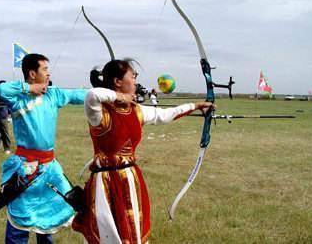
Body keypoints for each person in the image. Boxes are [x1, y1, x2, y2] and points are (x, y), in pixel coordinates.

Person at [72, 59, 214, 243]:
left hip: (130, 178)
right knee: (107, 233)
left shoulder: (137, 110)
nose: (136, 81)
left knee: (133, 231)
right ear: (117, 82)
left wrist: (195, 106)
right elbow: (92, 94)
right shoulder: (99, 112)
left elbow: (164, 115)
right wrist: (119, 97)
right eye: (133, 76)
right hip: (105, 182)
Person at [0, 53, 86, 243]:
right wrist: (29, 88)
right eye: (44, 69)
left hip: (49, 168)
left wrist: (106, 94)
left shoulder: (53, 94)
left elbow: (77, 95)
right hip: (24, 168)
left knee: (46, 219)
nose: (48, 73)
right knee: (20, 218)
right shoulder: (19, 98)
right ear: (31, 74)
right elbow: (1, 89)